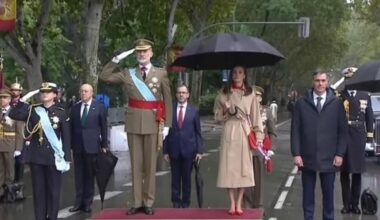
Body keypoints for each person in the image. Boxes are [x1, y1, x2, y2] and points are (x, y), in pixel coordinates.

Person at [99, 38, 172, 215]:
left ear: (151, 53)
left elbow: (168, 100)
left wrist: (168, 125)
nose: (141, 54)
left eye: (145, 51)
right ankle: (136, 201)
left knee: (150, 165)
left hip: (153, 123)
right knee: (136, 165)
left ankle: (148, 202)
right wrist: (116, 59)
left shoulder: (160, 73)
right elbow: (104, 76)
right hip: (133, 123)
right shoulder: (127, 73)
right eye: (139, 52)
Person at [9, 82, 71, 220]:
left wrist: (67, 158)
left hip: (54, 157)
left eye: (48, 92)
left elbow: (66, 136)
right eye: (42, 91)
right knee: (39, 192)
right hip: (36, 157)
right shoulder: (33, 110)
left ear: (55, 95)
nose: (44, 94)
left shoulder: (61, 112)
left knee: (54, 192)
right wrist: (21, 101)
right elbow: (13, 114)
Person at [291, 70, 348, 220]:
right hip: (307, 157)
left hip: (329, 158)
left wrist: (340, 154)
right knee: (308, 199)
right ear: (313, 81)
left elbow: (343, 131)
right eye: (317, 80)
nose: (320, 84)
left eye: (323, 80)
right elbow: (295, 130)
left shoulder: (337, 104)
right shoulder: (301, 104)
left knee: (328, 198)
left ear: (327, 82)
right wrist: (296, 153)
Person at [213, 65, 264, 215]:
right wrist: (225, 110)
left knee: (244, 169)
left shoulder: (250, 94)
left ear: (245, 75)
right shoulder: (223, 93)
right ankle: (232, 203)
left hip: (244, 131)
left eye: (240, 72)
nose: (236, 75)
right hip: (229, 131)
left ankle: (240, 202)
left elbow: (256, 117)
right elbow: (216, 116)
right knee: (229, 169)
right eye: (234, 72)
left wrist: (259, 136)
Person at [338, 68, 374, 215]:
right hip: (344, 135)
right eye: (348, 79)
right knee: (344, 172)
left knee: (357, 172)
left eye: (352, 79)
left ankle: (355, 204)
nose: (350, 82)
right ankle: (346, 204)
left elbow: (369, 117)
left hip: (359, 135)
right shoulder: (340, 95)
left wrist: (370, 138)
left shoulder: (365, 95)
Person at [69, 84, 108, 213]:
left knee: (89, 175)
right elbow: (71, 128)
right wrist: (70, 146)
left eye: (85, 91)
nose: (83, 93)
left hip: (92, 145)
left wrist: (104, 145)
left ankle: (87, 202)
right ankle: (78, 202)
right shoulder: (75, 108)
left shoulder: (99, 107)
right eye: (81, 91)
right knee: (79, 175)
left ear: (91, 93)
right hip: (78, 146)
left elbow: (103, 127)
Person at [163, 84, 203, 208]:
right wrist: (165, 151)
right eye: (179, 92)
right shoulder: (170, 110)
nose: (181, 94)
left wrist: (199, 151)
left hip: (189, 150)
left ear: (188, 95)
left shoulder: (194, 110)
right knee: (175, 179)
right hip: (173, 149)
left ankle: (186, 203)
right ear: (176, 94)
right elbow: (165, 131)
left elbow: (198, 132)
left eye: (184, 92)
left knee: (186, 179)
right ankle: (175, 202)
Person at [243, 86, 276, 208]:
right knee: (244, 180)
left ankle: (258, 206)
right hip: (245, 150)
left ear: (260, 97)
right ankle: (246, 205)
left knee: (258, 180)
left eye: (256, 95)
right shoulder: (244, 112)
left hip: (259, 150)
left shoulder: (266, 111)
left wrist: (271, 148)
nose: (254, 97)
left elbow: (272, 131)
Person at [0, 89, 23, 197]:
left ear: (9, 99)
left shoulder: (15, 112)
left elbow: (19, 132)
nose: (2, 100)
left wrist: (18, 148)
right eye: (1, 98)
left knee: (9, 169)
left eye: (4, 98)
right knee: (0, 169)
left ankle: (9, 190)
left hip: (10, 144)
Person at [9, 82, 25, 182]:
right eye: (12, 90)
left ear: (20, 92)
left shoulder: (25, 105)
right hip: (7, 137)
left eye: (16, 90)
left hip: (20, 136)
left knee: (20, 162)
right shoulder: (6, 104)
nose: (14, 92)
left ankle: (18, 186)